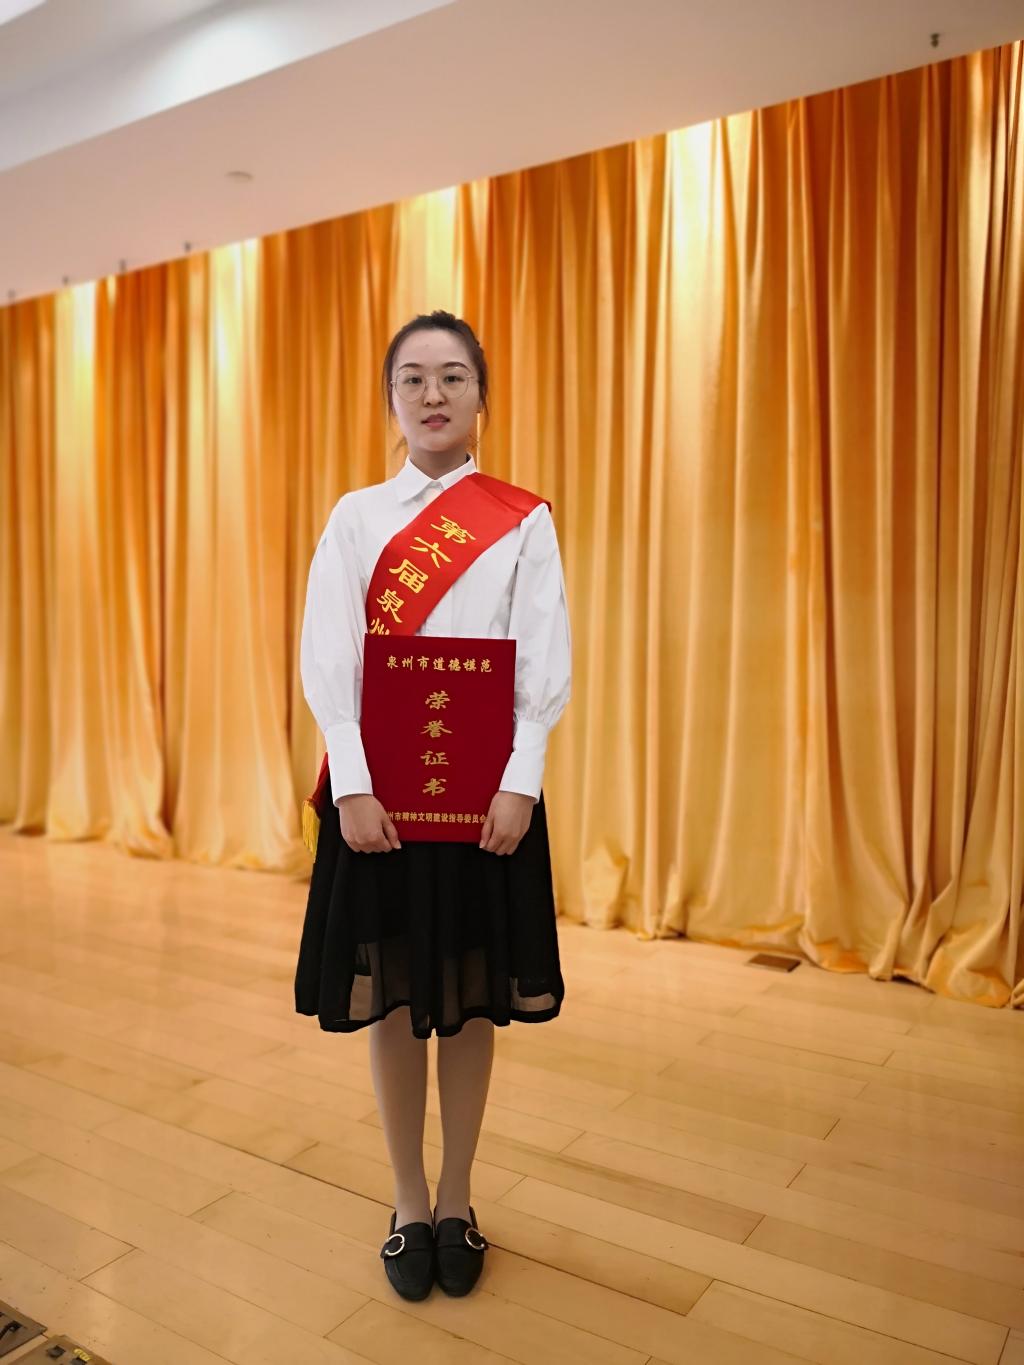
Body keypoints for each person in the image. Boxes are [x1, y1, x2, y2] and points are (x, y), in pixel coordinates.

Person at [294, 309, 572, 1301]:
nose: (433, 393)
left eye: (453, 375)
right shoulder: (357, 517)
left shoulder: (522, 520)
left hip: (484, 805)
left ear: (481, 395)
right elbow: (331, 654)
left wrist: (521, 781)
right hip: (380, 804)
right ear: (391, 398)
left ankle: (458, 1195)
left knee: (467, 996)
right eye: (412, 377)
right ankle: (408, 1199)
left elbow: (542, 655)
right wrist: (354, 784)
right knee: (394, 993)